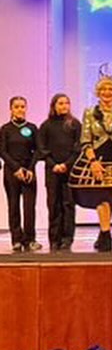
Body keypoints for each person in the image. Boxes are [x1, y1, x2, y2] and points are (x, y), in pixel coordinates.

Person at [70, 76, 112, 252]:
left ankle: (103, 234)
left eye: (110, 90)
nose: (107, 93)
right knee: (103, 197)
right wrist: (92, 162)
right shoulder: (89, 112)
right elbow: (86, 140)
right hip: (98, 159)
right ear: (98, 93)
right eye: (103, 90)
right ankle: (106, 235)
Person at [37, 93, 81, 251]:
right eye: (60, 103)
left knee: (68, 204)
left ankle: (67, 238)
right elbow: (41, 148)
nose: (64, 106)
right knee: (53, 204)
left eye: (66, 103)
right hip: (52, 170)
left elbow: (78, 147)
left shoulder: (75, 124)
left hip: (70, 170)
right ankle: (54, 238)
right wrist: (53, 164)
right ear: (54, 106)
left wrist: (67, 164)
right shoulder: (46, 125)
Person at [0, 96, 41, 252]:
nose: (20, 109)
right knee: (13, 205)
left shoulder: (32, 128)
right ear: (11, 109)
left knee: (29, 207)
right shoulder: (5, 129)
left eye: (22, 106)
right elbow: (2, 151)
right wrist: (16, 168)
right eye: (16, 107)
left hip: (28, 171)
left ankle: (30, 239)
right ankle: (16, 239)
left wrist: (30, 168)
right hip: (12, 172)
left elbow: (38, 150)